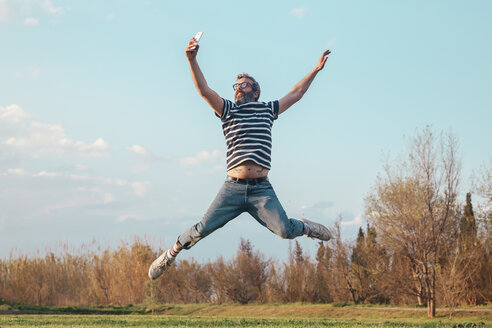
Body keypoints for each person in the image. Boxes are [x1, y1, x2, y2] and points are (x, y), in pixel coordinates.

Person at [148, 36, 332, 280]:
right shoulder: (227, 110)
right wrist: (192, 60)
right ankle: (170, 254)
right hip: (232, 188)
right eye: (235, 85)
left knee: (285, 231)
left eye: (243, 84)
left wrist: (315, 70)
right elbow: (204, 91)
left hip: (261, 190)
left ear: (255, 91)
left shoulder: (268, 109)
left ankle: (307, 227)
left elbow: (296, 93)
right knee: (202, 228)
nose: (238, 87)